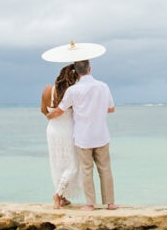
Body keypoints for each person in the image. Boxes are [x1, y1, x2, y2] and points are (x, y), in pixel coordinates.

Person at [47, 59, 116, 211]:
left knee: (86, 170)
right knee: (105, 169)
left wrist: (49, 116)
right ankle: (110, 203)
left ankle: (90, 204)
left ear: (77, 72)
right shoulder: (103, 86)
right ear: (89, 69)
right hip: (101, 134)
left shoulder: (73, 90)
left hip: (83, 137)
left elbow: (60, 109)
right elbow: (111, 109)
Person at [40, 64, 83, 208]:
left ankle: (63, 197)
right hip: (68, 129)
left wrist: (51, 116)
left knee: (57, 163)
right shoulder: (71, 93)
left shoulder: (47, 90)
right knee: (73, 164)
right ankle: (58, 194)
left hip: (52, 129)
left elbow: (43, 110)